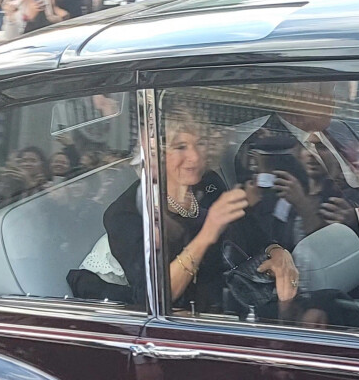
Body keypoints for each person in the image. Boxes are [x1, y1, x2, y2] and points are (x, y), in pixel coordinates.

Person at [229, 82, 359, 304]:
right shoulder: (263, 150)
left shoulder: (340, 129)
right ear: (292, 97)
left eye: (332, 92)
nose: (332, 101)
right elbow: (281, 236)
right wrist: (356, 220)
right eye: (323, 93)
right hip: (343, 270)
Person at [69, 108, 246, 311]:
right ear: (157, 154)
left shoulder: (209, 184)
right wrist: (207, 234)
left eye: (200, 144)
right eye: (181, 147)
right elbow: (152, 296)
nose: (195, 157)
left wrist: (273, 251)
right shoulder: (125, 214)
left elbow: (244, 231)